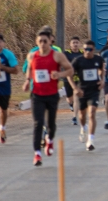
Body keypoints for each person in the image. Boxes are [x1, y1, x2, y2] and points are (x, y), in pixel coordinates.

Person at [22, 27, 73, 166]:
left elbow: (70, 70)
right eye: (40, 41)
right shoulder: (32, 56)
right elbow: (29, 69)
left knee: (51, 124)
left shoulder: (57, 55)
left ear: (50, 41)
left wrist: (60, 74)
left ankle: (49, 140)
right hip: (37, 94)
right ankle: (37, 154)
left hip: (51, 95)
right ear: (36, 42)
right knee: (38, 123)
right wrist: (27, 81)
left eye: (45, 41)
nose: (43, 44)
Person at [71, 41, 105, 151]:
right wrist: (75, 88)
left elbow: (102, 69)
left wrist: (102, 80)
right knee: (82, 115)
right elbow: (69, 75)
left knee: (92, 113)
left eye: (89, 49)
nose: (87, 51)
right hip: (82, 91)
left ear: (93, 49)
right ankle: (83, 127)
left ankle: (91, 140)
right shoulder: (78, 60)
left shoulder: (98, 59)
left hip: (94, 90)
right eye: (85, 49)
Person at [0, 34, 18, 144]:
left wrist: (2, 67)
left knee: (4, 110)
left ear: (3, 43)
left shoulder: (8, 54)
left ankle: (2, 127)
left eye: (0, 41)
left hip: (5, 87)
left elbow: (16, 70)